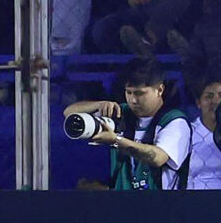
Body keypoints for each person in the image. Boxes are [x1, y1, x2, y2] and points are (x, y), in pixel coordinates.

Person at [65, 58, 193, 190]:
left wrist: (116, 140)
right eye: (129, 92)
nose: (133, 100)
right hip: (123, 203)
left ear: (159, 90)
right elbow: (68, 113)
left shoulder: (175, 121)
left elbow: (157, 158)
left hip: (162, 204)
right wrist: (99, 104)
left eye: (140, 93)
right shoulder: (121, 113)